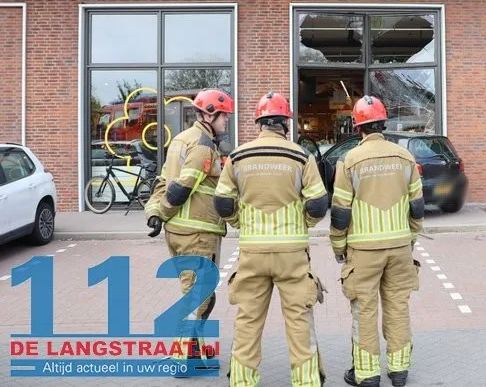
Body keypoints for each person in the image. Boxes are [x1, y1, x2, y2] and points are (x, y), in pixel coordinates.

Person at [213, 91, 328, 387]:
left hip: (252, 252)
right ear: (285, 124)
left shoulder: (238, 156)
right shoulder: (300, 156)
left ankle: (242, 381)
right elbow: (317, 203)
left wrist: (241, 222)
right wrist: (301, 223)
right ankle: (306, 381)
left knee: (248, 320)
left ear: (260, 123)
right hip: (292, 253)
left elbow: (223, 202)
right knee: (299, 321)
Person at [329, 95, 424, 387]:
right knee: (398, 306)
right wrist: (410, 240)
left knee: (364, 310)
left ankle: (367, 375)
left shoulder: (350, 161)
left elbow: (340, 213)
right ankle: (399, 371)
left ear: (358, 128)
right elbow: (417, 206)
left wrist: (338, 247)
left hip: (363, 252)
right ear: (383, 124)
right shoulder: (405, 156)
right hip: (399, 249)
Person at [144, 88, 234, 370]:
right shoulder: (203, 145)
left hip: (179, 231)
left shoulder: (181, 140)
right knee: (198, 294)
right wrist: (165, 209)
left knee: (195, 290)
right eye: (224, 117)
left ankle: (193, 349)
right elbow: (183, 186)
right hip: (197, 232)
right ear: (209, 114)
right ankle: (184, 356)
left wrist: (155, 211)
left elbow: (162, 180)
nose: (226, 122)